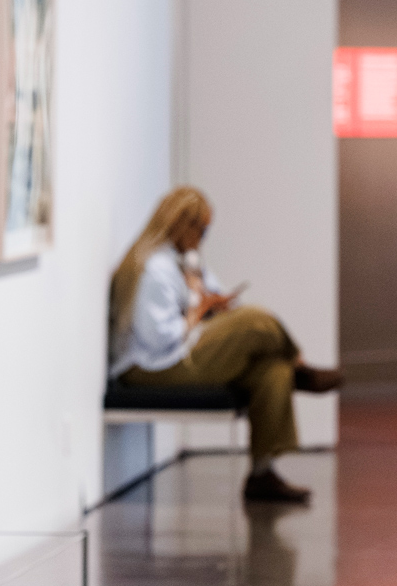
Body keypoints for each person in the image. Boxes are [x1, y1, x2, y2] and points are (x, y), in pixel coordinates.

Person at [108, 187, 342, 504]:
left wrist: (211, 304)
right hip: (152, 367)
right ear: (183, 225)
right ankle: (299, 365)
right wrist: (196, 313)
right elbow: (159, 337)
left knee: (271, 370)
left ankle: (262, 474)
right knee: (256, 320)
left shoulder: (183, 264)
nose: (203, 239)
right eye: (202, 231)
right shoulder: (152, 268)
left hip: (179, 353)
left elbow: (208, 302)